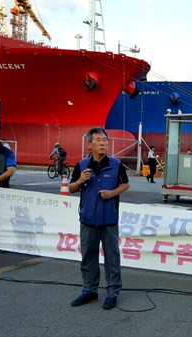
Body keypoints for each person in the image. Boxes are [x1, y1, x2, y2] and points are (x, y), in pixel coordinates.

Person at [68, 127, 129, 310]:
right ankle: (90, 291)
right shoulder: (81, 165)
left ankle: (112, 292)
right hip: (87, 220)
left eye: (105, 140)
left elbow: (125, 184)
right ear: (89, 145)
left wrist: (112, 193)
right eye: (99, 140)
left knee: (112, 258)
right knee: (88, 256)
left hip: (109, 220)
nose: (103, 143)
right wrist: (80, 181)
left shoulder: (116, 164)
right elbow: (71, 188)